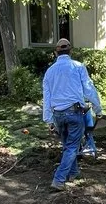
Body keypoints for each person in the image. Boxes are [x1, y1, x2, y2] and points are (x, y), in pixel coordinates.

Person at [42, 38, 102, 190]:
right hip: (74, 113)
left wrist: (48, 120)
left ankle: (74, 173)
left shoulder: (50, 71)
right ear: (70, 51)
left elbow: (47, 97)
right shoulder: (78, 66)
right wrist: (97, 109)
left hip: (58, 114)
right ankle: (59, 179)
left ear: (56, 52)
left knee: (68, 146)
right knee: (72, 147)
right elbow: (89, 89)